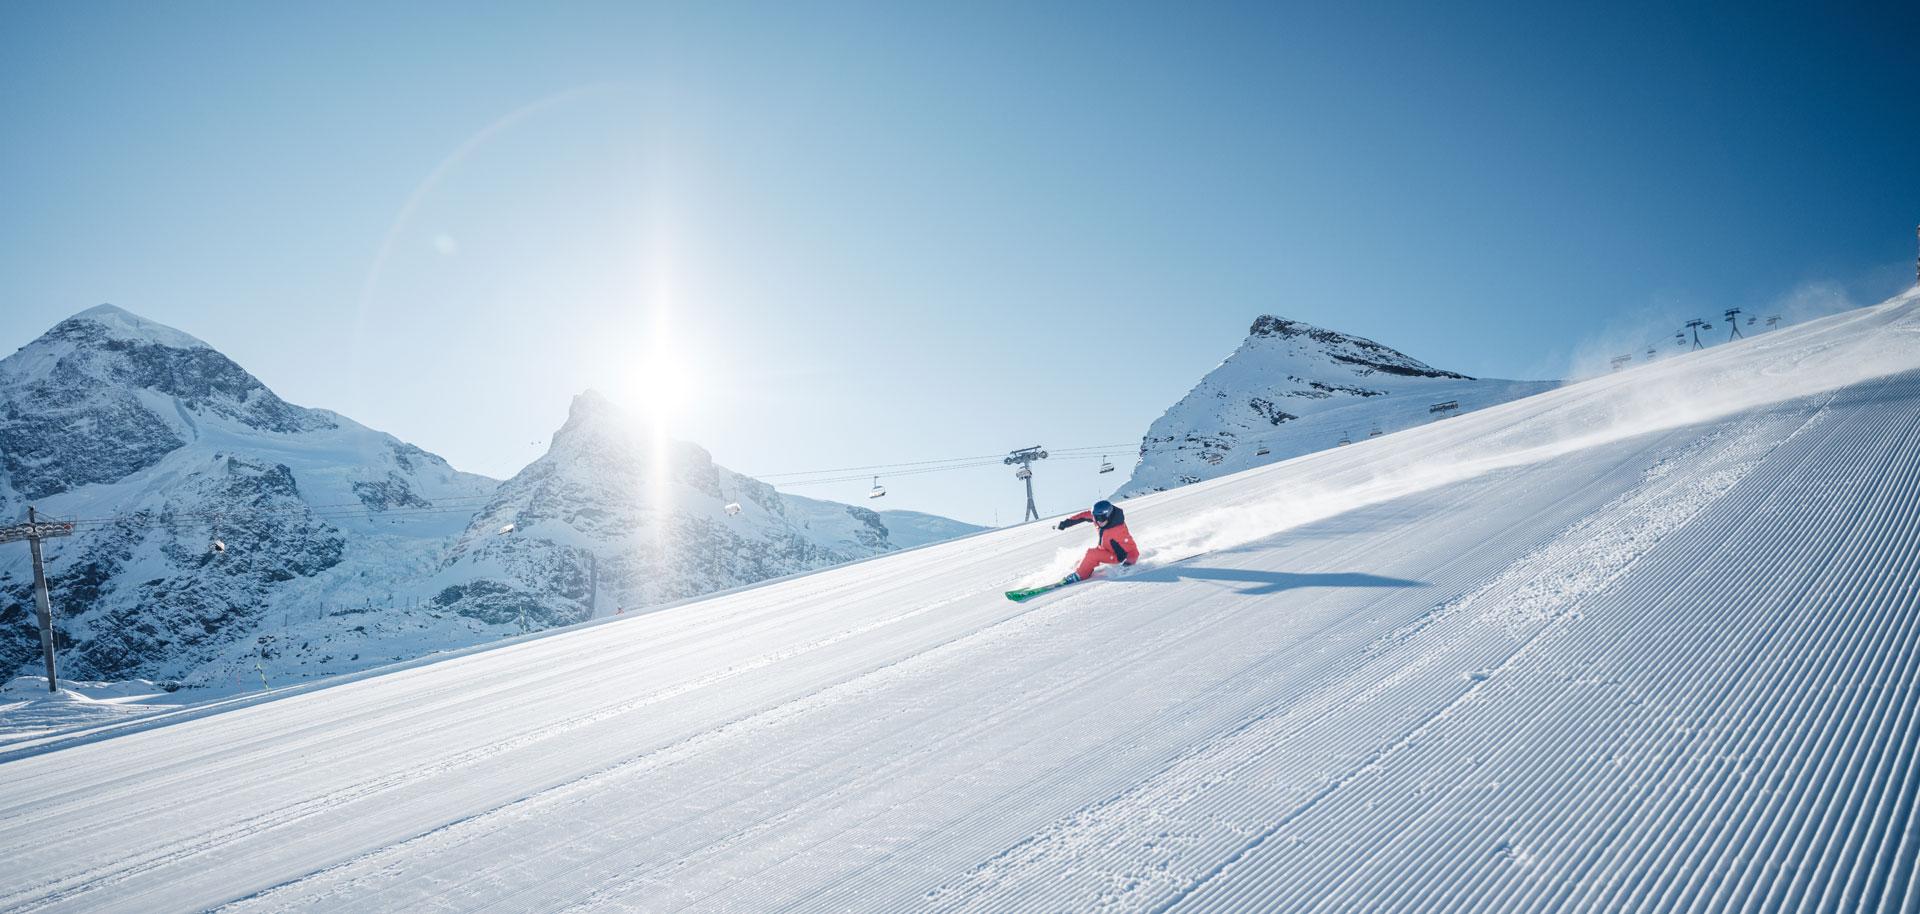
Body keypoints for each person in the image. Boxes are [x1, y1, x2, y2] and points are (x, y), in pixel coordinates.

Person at [1057, 499, 1139, 584]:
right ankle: (1077, 571)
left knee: (1091, 554)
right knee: (1081, 560)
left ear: (1109, 515)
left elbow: (1134, 552)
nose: (1098, 521)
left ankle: (1079, 576)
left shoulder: (1118, 530)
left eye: (1100, 518)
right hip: (1105, 549)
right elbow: (1083, 516)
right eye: (1095, 518)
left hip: (1117, 557)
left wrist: (1126, 566)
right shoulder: (1101, 520)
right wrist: (1067, 522)